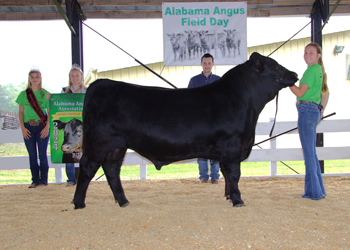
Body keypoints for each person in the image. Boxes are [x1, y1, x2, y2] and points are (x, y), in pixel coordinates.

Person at [289, 42, 329, 200]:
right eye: (306, 52)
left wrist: (287, 83)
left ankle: (313, 192)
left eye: (311, 53)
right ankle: (319, 190)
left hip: (306, 111)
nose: (307, 55)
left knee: (309, 153)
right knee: (311, 152)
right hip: (313, 111)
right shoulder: (319, 70)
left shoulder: (311, 71)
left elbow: (299, 92)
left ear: (318, 55)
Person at [188, 53, 221, 184]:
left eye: (209, 63)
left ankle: (215, 177)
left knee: (216, 148)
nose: (207, 65)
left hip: (216, 121)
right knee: (201, 148)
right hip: (200, 121)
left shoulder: (219, 80)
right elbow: (188, 100)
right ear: (201, 64)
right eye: (204, 63)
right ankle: (203, 176)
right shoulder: (194, 81)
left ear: (213, 64)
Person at [16, 68, 50, 188]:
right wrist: (23, 128)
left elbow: (50, 112)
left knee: (42, 154)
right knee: (32, 155)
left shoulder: (45, 94)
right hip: (28, 127)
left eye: (37, 77)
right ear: (29, 79)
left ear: (40, 79)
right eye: (32, 77)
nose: (34, 79)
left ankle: (44, 180)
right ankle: (35, 180)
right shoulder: (23, 94)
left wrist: (47, 127)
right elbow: (20, 112)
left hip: (42, 126)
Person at [61, 64, 87, 187]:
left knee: (84, 152)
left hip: (83, 126)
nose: (75, 77)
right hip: (70, 127)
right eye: (72, 75)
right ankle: (71, 179)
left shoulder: (87, 91)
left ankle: (83, 178)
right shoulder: (64, 91)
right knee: (69, 152)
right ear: (69, 77)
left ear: (81, 76)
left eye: (77, 75)